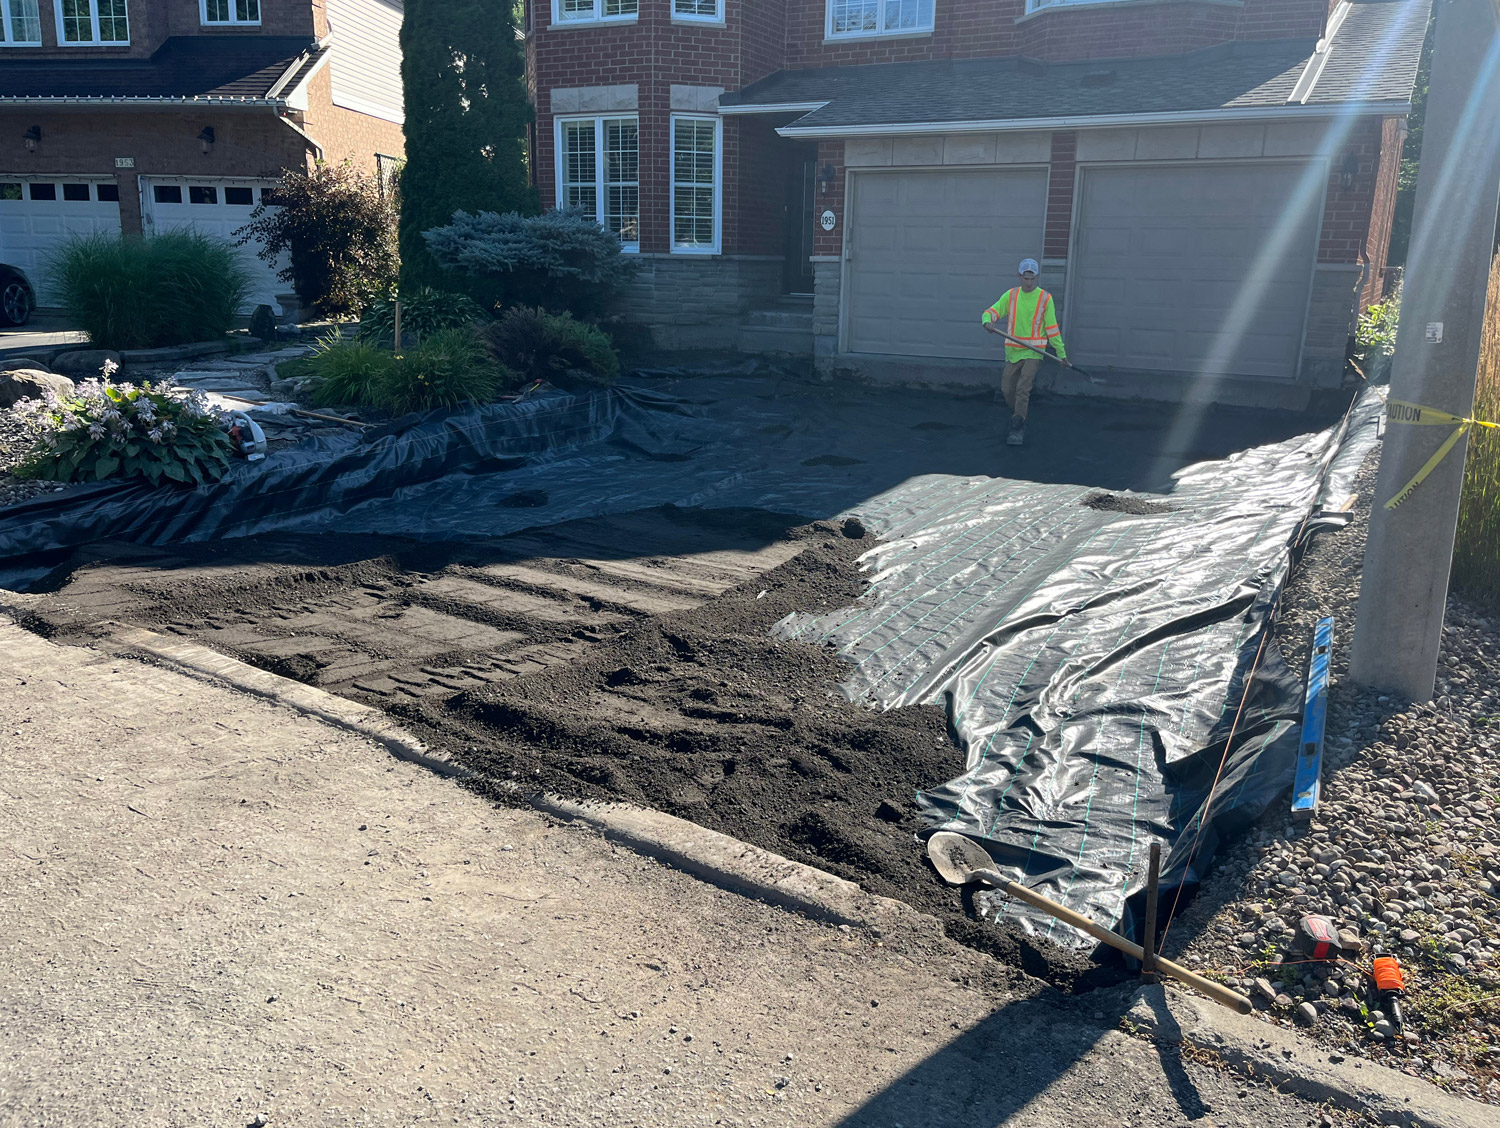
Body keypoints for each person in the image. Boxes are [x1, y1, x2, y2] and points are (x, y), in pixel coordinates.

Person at [981, 258, 1070, 447]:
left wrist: (1061, 353)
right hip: (1013, 351)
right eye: (1026, 278)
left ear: (1036, 277)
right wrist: (987, 321)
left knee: (1023, 388)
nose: (1029, 282)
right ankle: (1019, 413)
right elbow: (992, 311)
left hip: (1034, 352)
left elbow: (1052, 328)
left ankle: (1017, 426)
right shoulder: (1011, 296)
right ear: (1019, 276)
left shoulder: (1045, 298)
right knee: (1007, 390)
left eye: (1032, 279)